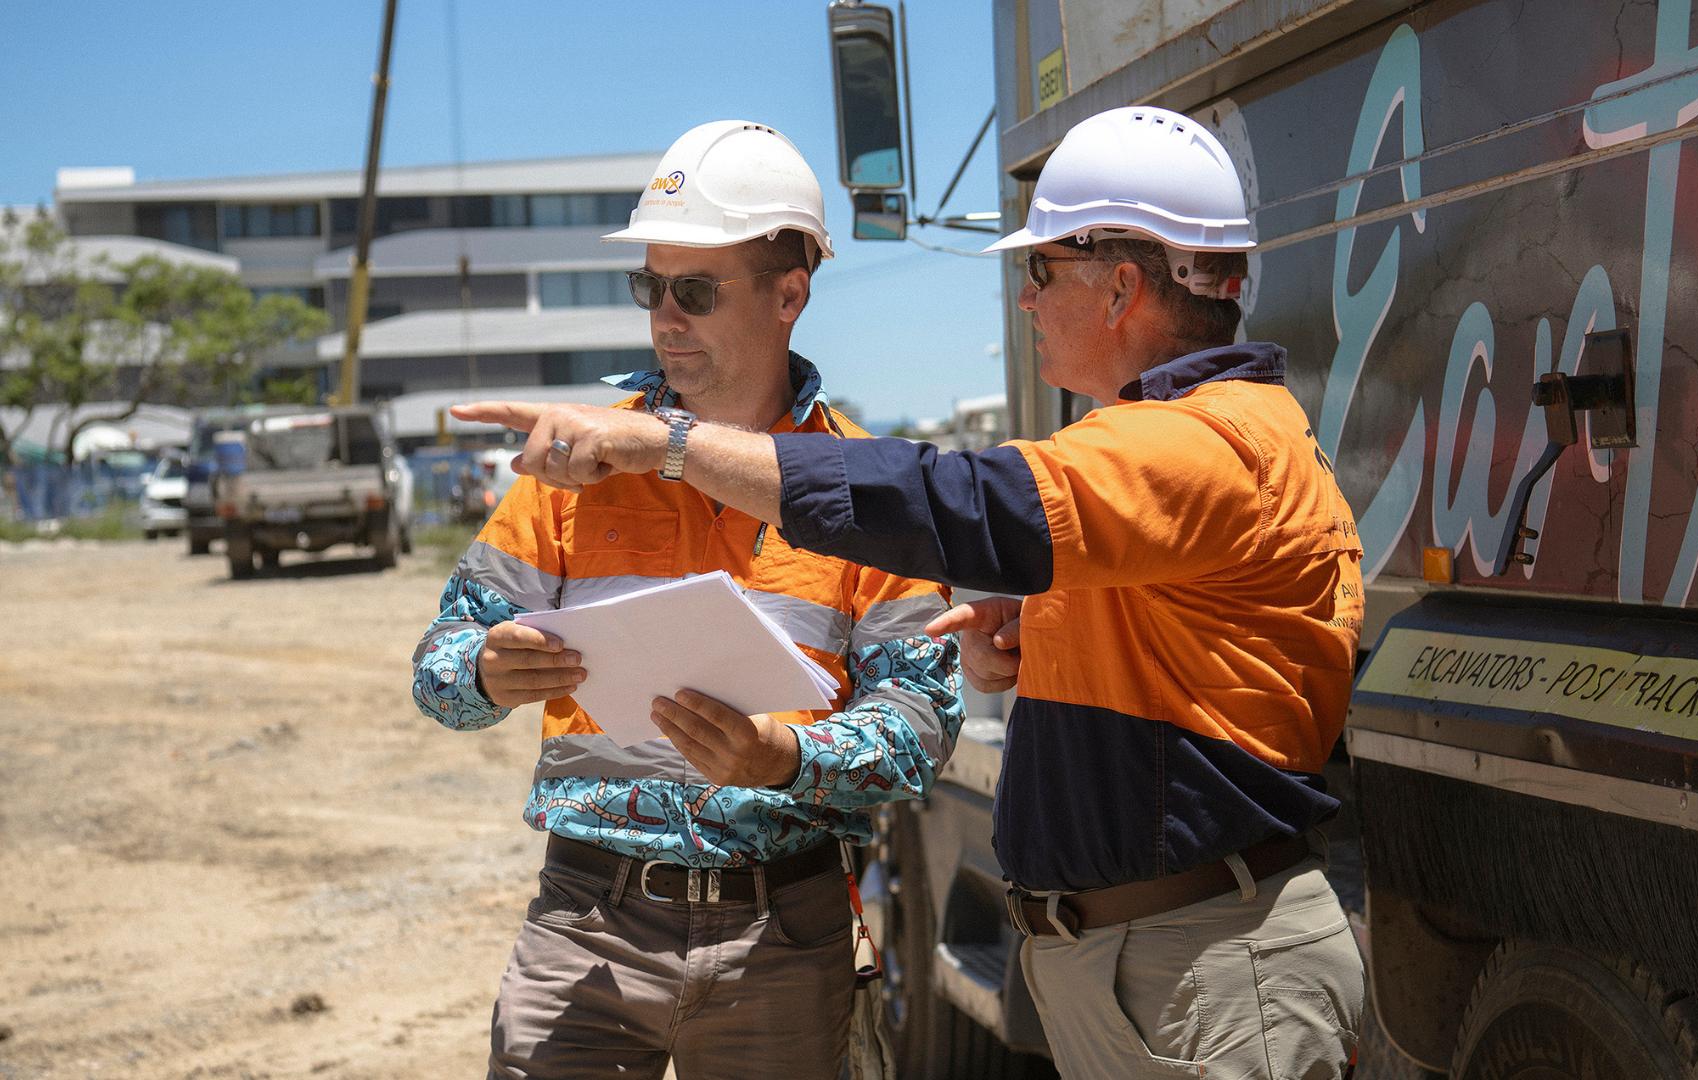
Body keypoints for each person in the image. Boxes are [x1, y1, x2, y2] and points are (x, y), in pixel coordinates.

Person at [457, 105, 1366, 1080]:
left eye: (1040, 269)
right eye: (653, 287)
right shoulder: (1187, 438)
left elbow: (960, 503)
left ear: (1121, 287)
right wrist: (1047, 629)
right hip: (1157, 962)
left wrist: (670, 446)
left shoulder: (1199, 444)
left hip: (1200, 966)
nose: (1025, 300)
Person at [412, 120, 963, 1080]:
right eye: (650, 287)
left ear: (790, 295)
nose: (665, 318)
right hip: (587, 924)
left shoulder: (865, 490)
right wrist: (484, 672)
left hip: (783, 936)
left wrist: (785, 758)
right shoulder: (576, 463)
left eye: (696, 291)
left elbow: (923, 723)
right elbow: (438, 671)